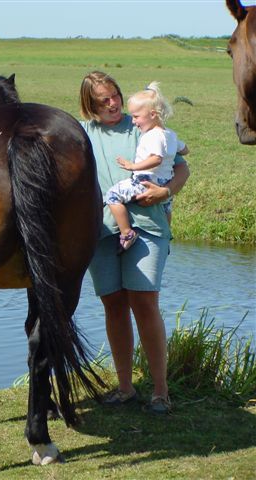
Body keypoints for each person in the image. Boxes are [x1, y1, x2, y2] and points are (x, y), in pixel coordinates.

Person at [79, 71, 190, 413]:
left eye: (114, 95)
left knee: (144, 302)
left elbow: (182, 168)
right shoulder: (81, 133)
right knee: (113, 304)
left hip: (147, 226)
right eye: (102, 100)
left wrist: (165, 191)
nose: (112, 104)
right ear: (89, 104)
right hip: (100, 231)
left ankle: (160, 391)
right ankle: (125, 388)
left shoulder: (143, 125)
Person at [105, 81, 189, 252]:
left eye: (136, 117)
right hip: (165, 182)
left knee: (112, 196)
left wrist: (133, 166)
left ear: (152, 114)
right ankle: (166, 233)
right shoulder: (170, 134)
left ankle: (127, 232)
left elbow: (156, 159)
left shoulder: (153, 136)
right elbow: (185, 149)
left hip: (145, 181)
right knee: (166, 207)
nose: (134, 121)